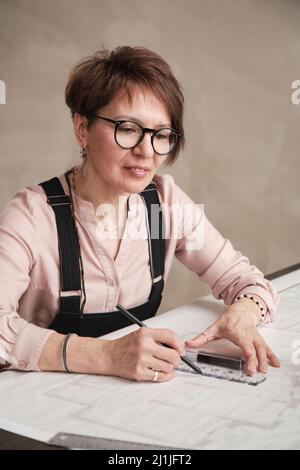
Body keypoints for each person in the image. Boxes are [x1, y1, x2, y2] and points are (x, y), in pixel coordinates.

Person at [0, 46, 280, 383]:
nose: (146, 151)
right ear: (82, 128)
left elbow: (245, 280)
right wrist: (106, 356)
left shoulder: (163, 208)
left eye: (161, 135)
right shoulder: (33, 216)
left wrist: (245, 312)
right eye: (128, 128)